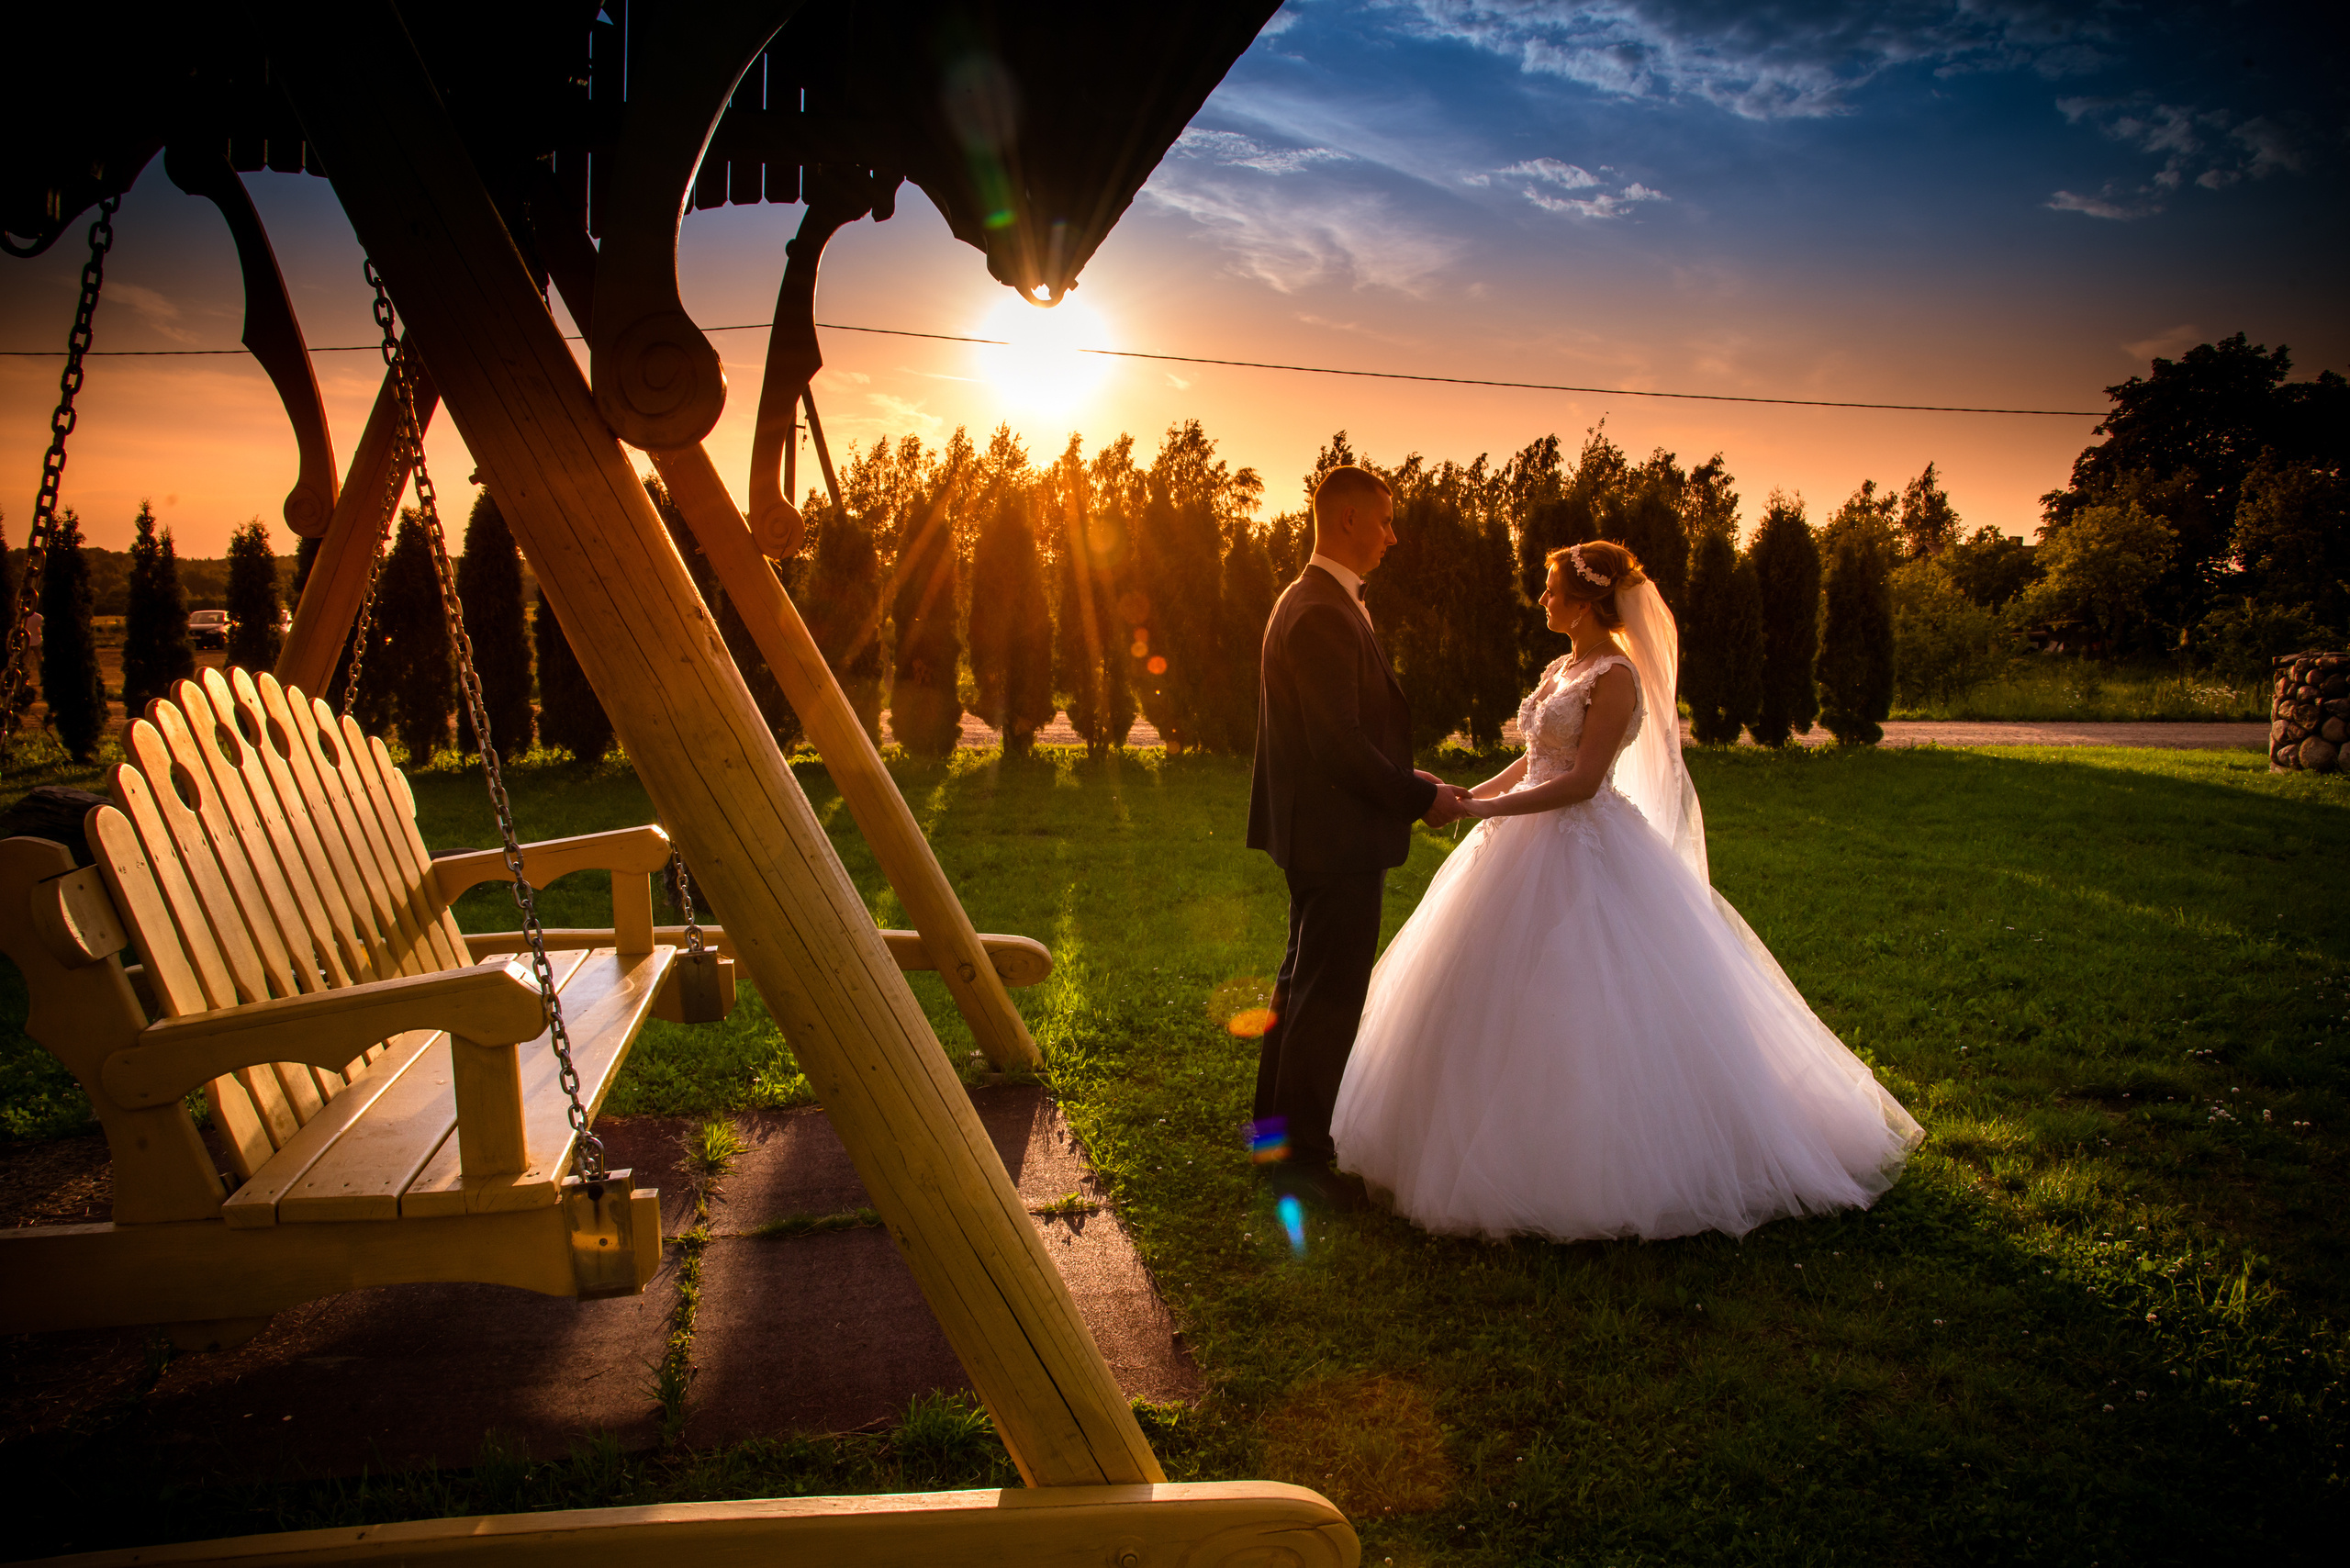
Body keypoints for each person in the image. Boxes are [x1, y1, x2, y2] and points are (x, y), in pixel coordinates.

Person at [1332, 539, 1921, 1241]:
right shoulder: (1562, 667)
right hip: (1519, 842)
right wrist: (1466, 793)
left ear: (1587, 599)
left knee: (1586, 995)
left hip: (1584, 846)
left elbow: (1579, 782)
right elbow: (1534, 762)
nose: (1542, 599)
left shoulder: (1615, 676)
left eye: (1551, 588)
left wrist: (1481, 813)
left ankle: (1592, 1169)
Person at [1247, 465, 1469, 1209]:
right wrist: (1418, 798)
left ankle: (1273, 1139)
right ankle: (1301, 1166)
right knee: (1327, 996)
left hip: (1321, 831)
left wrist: (1410, 773)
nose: (1392, 535)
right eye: (1385, 521)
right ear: (1345, 521)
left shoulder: (1317, 601)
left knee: (1300, 986)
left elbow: (1350, 730)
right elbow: (1335, 745)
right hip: (1335, 836)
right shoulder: (1319, 612)